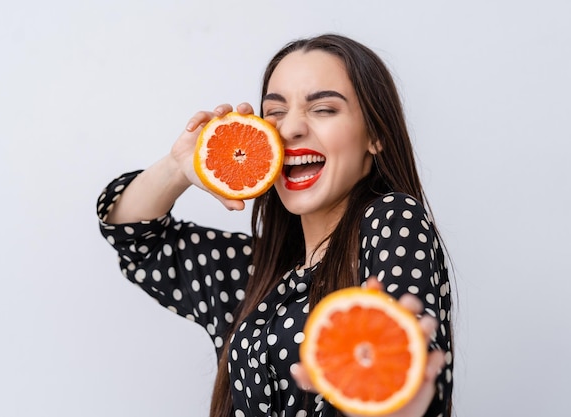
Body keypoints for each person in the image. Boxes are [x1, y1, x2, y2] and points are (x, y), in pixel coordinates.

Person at [97, 33, 453, 417]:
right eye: (275, 113)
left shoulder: (392, 218)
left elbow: (401, 366)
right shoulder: (259, 276)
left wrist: (399, 396)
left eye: (323, 109)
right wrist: (180, 166)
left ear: (376, 135)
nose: (289, 129)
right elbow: (135, 237)